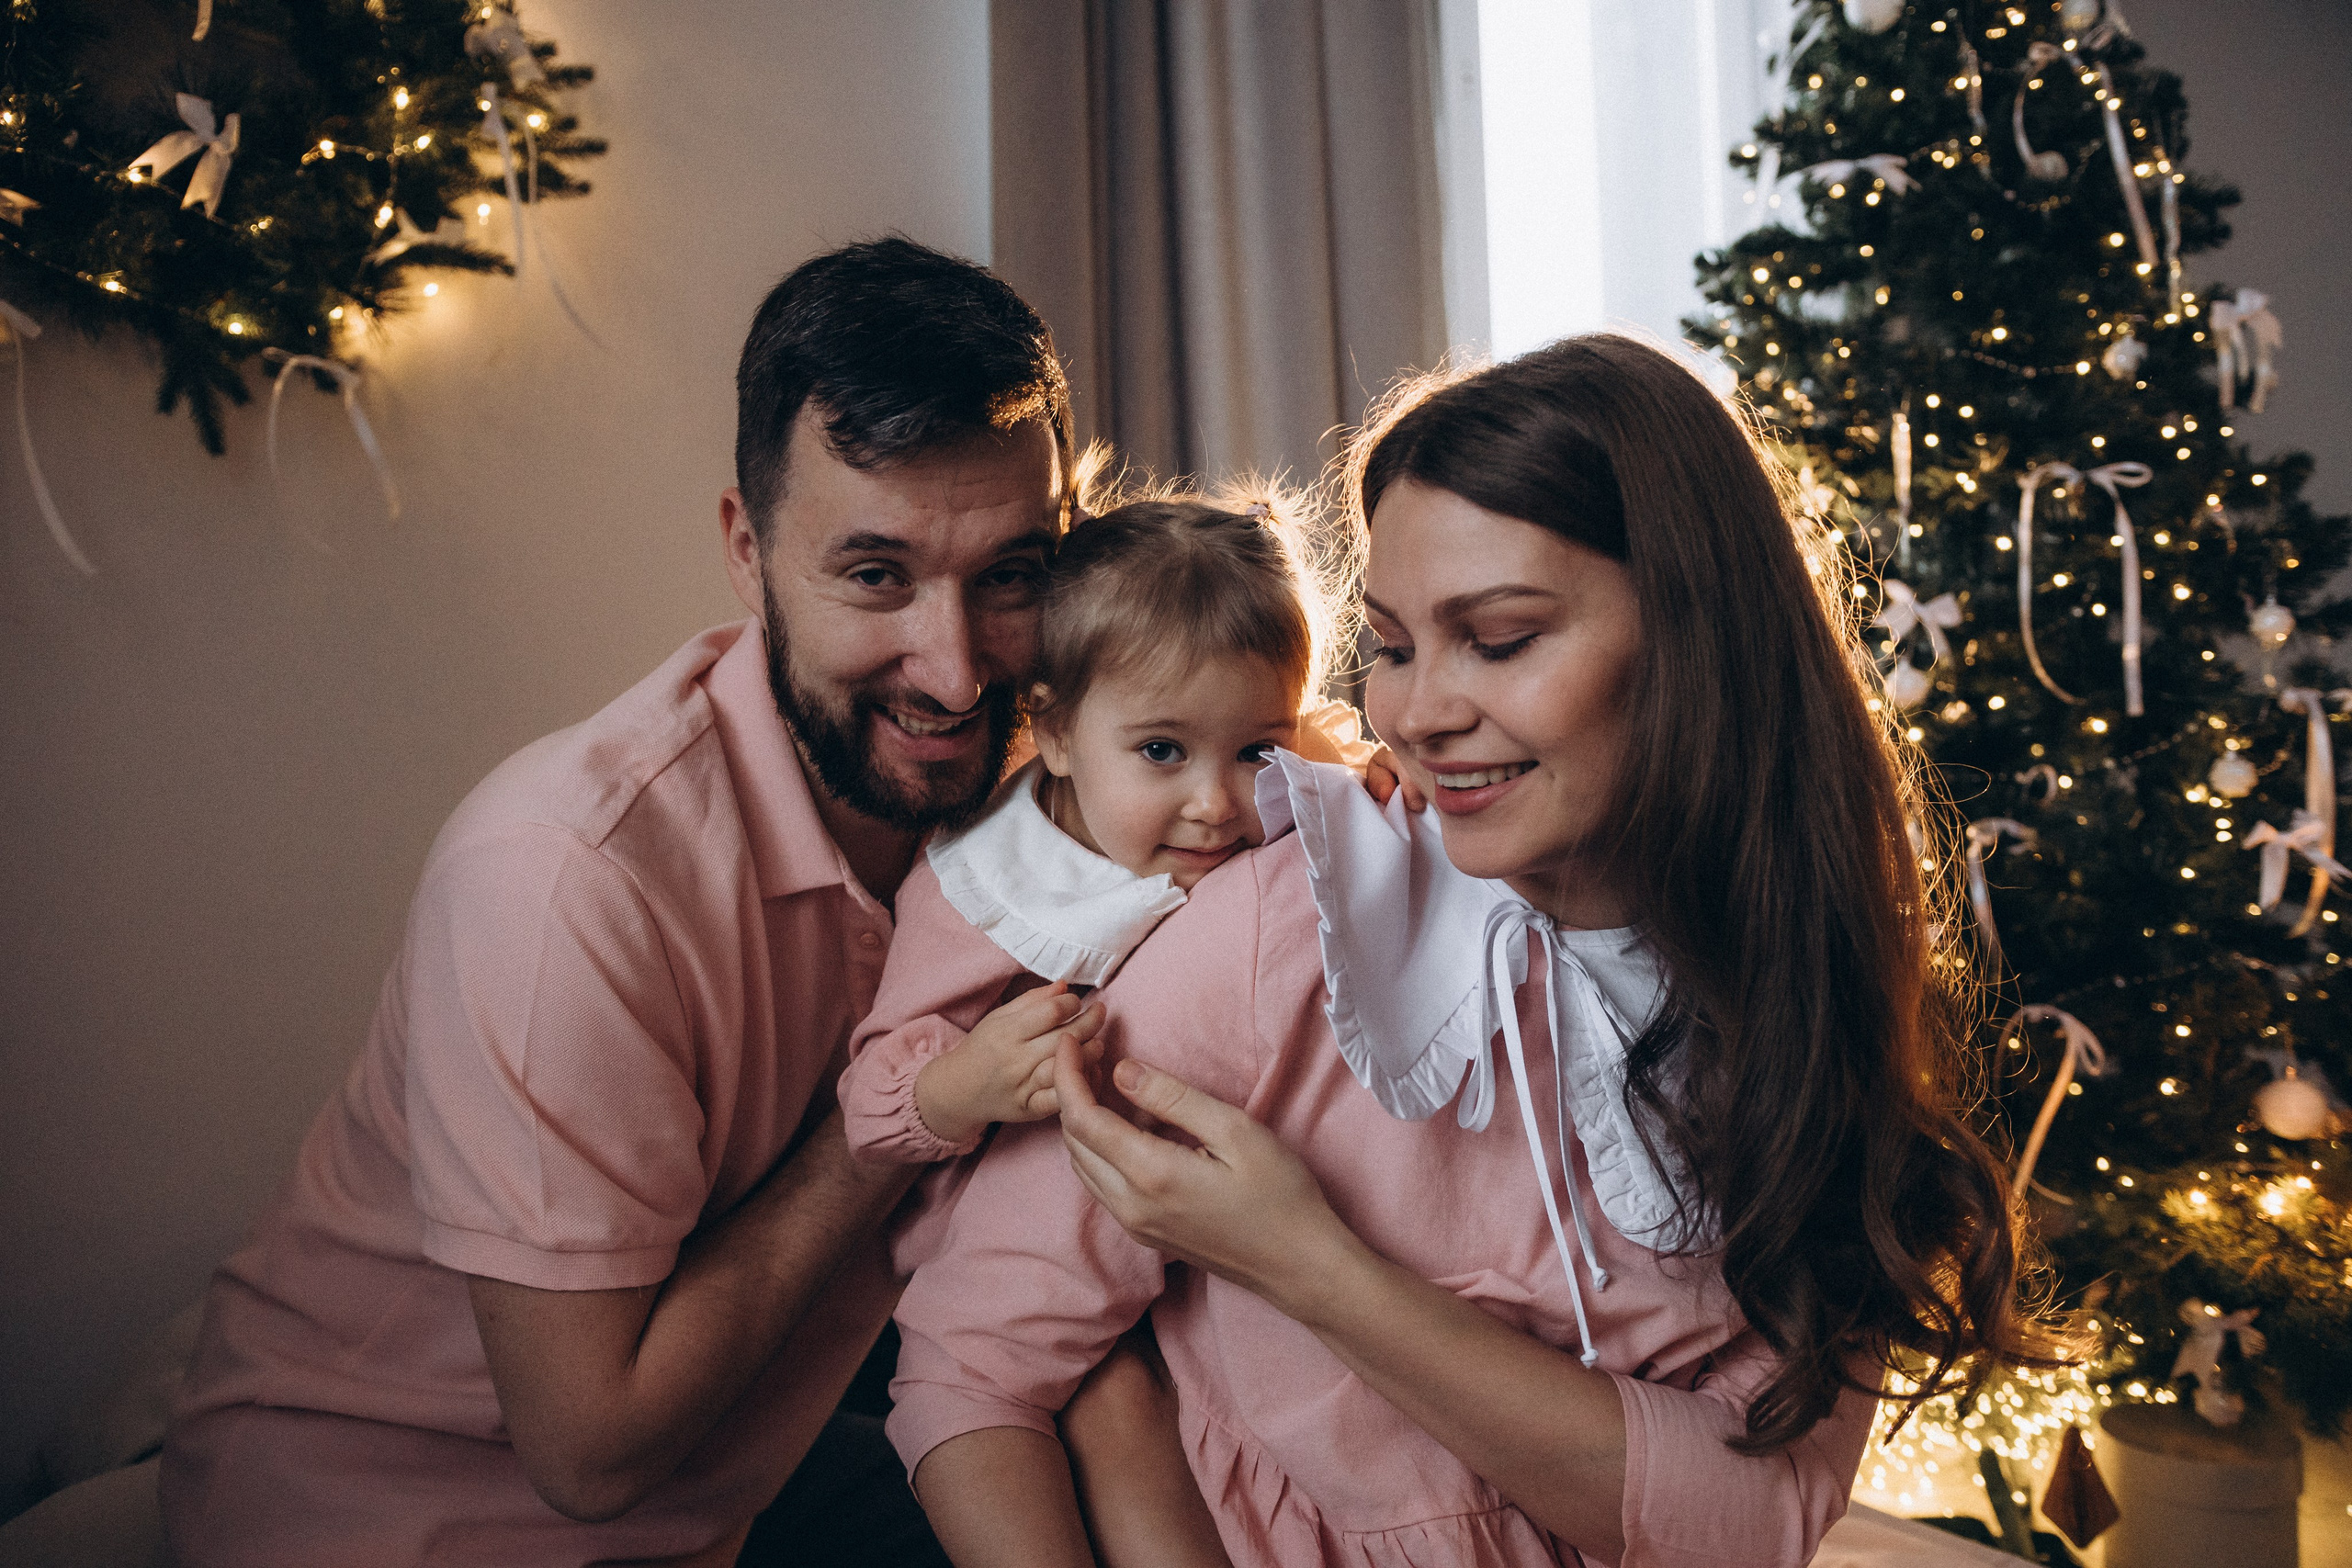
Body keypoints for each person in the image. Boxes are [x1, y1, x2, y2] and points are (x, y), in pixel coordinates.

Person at [888, 335, 2059, 1566]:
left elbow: (1754, 1516)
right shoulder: (1278, 932)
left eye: (1496, 638)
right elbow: (971, 1370)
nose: (1417, 713)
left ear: (1698, 645)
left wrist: (1310, 1263)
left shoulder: (1799, 986)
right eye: (1390, 645)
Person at [160, 237, 1080, 1567]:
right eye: (875, 575)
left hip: (744, 1476)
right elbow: (588, 1449)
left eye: (1011, 573)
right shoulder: (561, 877)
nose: (953, 670)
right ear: (745, 551)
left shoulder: (1039, 782)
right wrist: (899, 1119)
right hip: (396, 1515)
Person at [839, 488, 1360, 1568]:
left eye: (1253, 751)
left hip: (1183, 1223)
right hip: (1006, 1231)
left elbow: (1317, 761)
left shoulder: (1256, 793)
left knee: (1193, 1424)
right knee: (1070, 1407)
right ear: (1058, 734)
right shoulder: (988, 885)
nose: (1218, 802)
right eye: (1162, 752)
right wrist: (965, 1083)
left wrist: (1360, 779)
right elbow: (875, 1091)